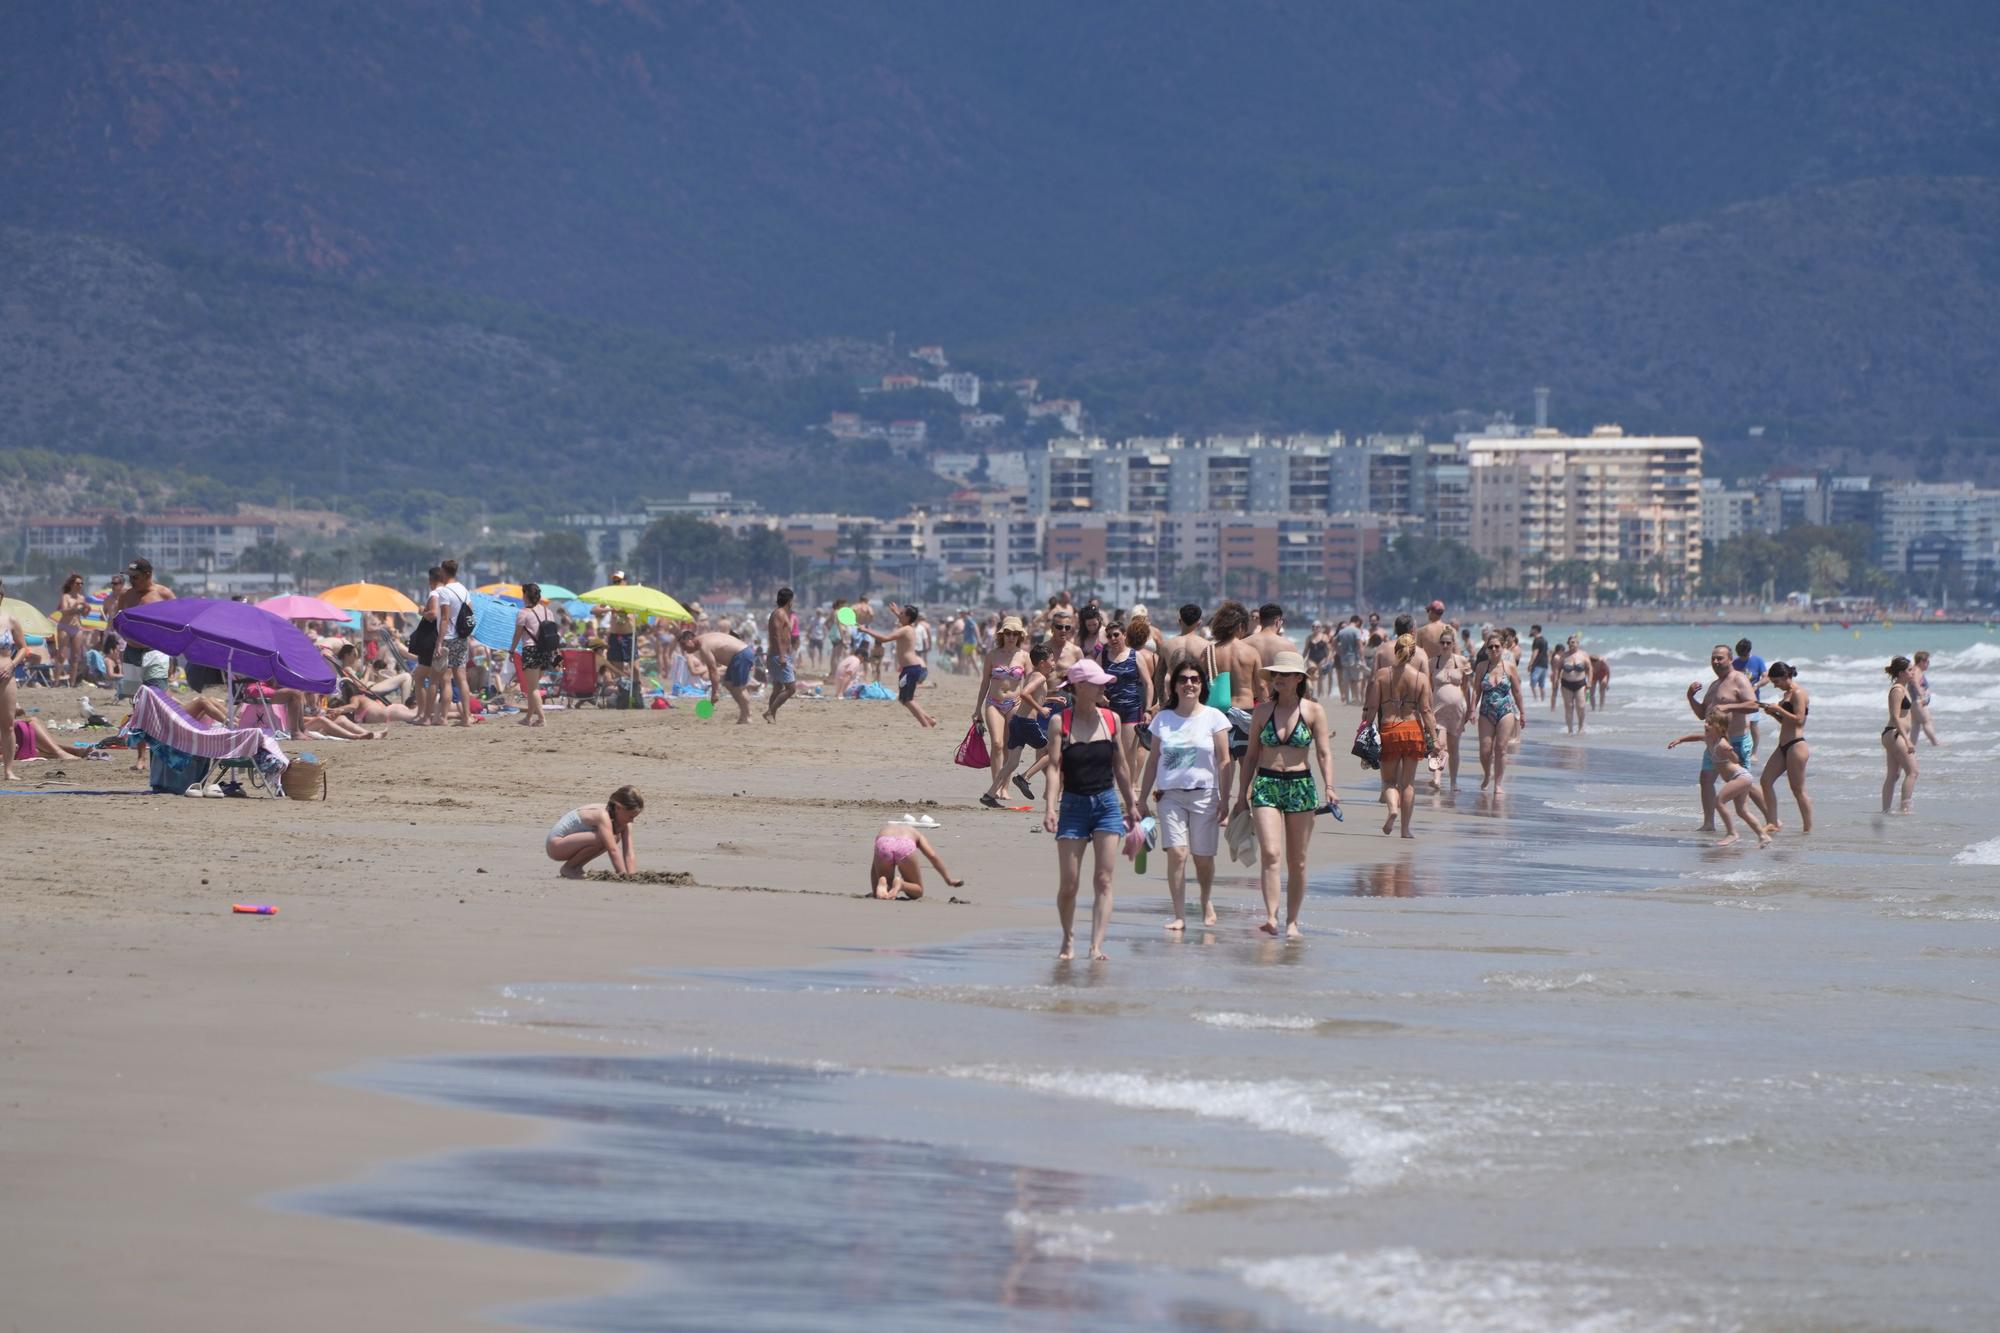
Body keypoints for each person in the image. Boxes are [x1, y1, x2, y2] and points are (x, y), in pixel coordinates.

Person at [1232, 651, 1335, 934]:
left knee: (1298, 860)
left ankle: (1292, 921)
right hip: (1266, 785)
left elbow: (1325, 753)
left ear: (1299, 678)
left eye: (1284, 674)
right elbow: (1251, 755)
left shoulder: (1314, 711)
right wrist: (1242, 794)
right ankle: (1271, 918)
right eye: (1275, 674)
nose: (1278, 678)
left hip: (1300, 786)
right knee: (1271, 853)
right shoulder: (1263, 711)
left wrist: (1329, 786)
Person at [1044, 660, 1138, 961]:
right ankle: (1068, 938)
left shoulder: (1110, 719)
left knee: (1103, 879)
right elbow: (1055, 768)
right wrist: (1050, 807)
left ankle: (1096, 944)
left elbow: (1121, 767)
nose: (1105, 687)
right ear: (1081, 687)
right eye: (1099, 683)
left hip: (1107, 805)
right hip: (1073, 805)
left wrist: (1132, 804)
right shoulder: (1061, 722)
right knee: (1069, 884)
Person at [1139, 657, 1232, 929]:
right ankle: (1179, 915)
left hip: (1205, 794)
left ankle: (1205, 901)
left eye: (1194, 679)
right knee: (1177, 853)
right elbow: (1153, 760)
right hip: (1170, 796)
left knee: (1203, 858)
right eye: (1183, 679)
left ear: (1202, 685)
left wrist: (1226, 799)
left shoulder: (1214, 717)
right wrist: (1141, 798)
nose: (1189, 684)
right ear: (1174, 686)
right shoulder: (1163, 719)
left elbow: (1225, 760)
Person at [1363, 634, 1434, 836]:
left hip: (1390, 729)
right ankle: (1405, 830)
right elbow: (1426, 711)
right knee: (1408, 783)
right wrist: (1435, 739)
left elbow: (1374, 706)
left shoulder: (1382, 675)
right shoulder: (1421, 678)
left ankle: (1393, 809)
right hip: (1413, 731)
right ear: (1413, 653)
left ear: (1396, 651)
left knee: (1388, 782)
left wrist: (1365, 727)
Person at [1668, 717, 1772, 847]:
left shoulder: (1722, 744)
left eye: (1710, 723)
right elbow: (1695, 737)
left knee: (1719, 801)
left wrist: (1730, 752)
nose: (1705, 724)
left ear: (1719, 728)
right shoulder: (1710, 739)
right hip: (1741, 778)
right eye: (1706, 722)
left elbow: (1735, 760)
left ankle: (1732, 833)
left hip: (1740, 777)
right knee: (1742, 811)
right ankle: (1763, 836)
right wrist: (1679, 740)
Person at [1688, 644, 1758, 832]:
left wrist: (1729, 707)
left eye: (1720, 658)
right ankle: (1709, 823)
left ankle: (1772, 820)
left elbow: (1753, 705)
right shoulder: (1715, 685)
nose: (1716, 661)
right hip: (1715, 742)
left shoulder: (1739, 679)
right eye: (1713, 658)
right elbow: (1703, 714)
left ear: (1730, 659)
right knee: (1706, 779)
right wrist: (1690, 697)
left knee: (1745, 785)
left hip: (1736, 741)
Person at [975, 616, 1034, 805]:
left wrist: (1036, 705)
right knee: (997, 744)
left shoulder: (1024, 656)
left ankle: (1004, 787)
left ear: (1019, 636)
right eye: (1008, 633)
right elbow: (985, 682)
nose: (1011, 637)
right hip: (994, 702)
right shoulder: (992, 655)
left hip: (1015, 704)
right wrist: (977, 709)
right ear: (1002, 635)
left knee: (1010, 746)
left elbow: (1033, 681)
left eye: (1015, 634)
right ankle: (996, 786)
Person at [994, 643, 1058, 802]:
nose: (1054, 663)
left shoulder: (1032, 674)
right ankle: (1024, 777)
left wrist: (1051, 699)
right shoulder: (1041, 677)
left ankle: (990, 794)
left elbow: (1032, 697)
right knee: (1054, 751)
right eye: (1052, 660)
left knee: (1012, 762)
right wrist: (1041, 709)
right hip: (1027, 723)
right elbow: (1024, 694)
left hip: (1017, 720)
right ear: (1043, 663)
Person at [860, 603, 938, 729]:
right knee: (906, 699)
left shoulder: (905, 630)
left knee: (906, 699)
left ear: (907, 617)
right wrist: (896, 613)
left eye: (901, 614)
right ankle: (929, 720)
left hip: (910, 669)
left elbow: (885, 639)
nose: (898, 616)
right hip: (911, 668)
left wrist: (866, 630)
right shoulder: (909, 627)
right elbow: (905, 620)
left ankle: (925, 725)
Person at [106, 559, 174, 701]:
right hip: (131, 651)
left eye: (135, 577)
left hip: (155, 650)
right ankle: (141, 723)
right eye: (129, 577)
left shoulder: (163, 594)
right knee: (135, 697)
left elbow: (179, 620)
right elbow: (119, 621)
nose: (131, 581)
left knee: (157, 694)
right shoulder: (126, 595)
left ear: (147, 574)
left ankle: (167, 720)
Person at [1757, 661, 1812, 834]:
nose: (1775, 686)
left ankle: (1807, 830)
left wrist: (1778, 709)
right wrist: (1774, 713)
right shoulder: (1787, 693)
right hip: (1783, 745)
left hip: (1796, 745)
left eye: (1776, 682)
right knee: (1765, 780)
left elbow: (1799, 720)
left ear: (1786, 676)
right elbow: (1786, 721)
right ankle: (1773, 822)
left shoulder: (1798, 693)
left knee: (1798, 789)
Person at [1097, 617, 1153, 778]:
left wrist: (1148, 709)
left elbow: (1148, 684)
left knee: (1128, 755)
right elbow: (1093, 679)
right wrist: (1099, 695)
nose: (1113, 639)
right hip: (1108, 711)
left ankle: (1129, 791)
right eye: (1109, 636)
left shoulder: (1135, 656)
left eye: (1116, 635)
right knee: (1107, 753)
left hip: (1131, 710)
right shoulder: (1103, 655)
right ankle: (1107, 790)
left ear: (1124, 635)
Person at [546, 786, 645, 878]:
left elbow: (629, 852)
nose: (632, 821)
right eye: (630, 817)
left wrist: (632, 876)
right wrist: (622, 876)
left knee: (614, 837)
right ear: (618, 807)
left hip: (570, 844)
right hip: (555, 845)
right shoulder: (602, 815)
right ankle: (569, 868)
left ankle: (576, 867)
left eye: (634, 817)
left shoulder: (625, 820)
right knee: (604, 839)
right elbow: (613, 850)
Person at [1208, 601, 1262, 757]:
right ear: (1240, 626)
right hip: (1246, 710)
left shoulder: (1210, 651)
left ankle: (1225, 784)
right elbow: (1262, 686)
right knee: (1248, 761)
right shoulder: (1251, 652)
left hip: (1219, 712)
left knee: (1224, 761)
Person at [1474, 635, 1525, 795]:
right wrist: (1471, 711)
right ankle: (1487, 774)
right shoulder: (1482, 667)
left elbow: (1517, 691)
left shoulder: (1509, 667)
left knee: (1501, 748)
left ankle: (1498, 784)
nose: (1494, 649)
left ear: (1502, 648)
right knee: (1485, 750)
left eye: (1497, 646)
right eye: (1491, 647)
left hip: (1506, 710)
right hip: (1486, 711)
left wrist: (1522, 712)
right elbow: (1476, 691)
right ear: (1486, 649)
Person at [427, 558, 473, 728]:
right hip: (461, 638)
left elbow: (444, 618)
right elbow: (470, 614)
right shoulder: (464, 590)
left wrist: (439, 643)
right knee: (461, 679)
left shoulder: (445, 592)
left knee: (441, 679)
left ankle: (440, 717)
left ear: (444, 571)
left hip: (447, 638)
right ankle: (467, 717)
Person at [867, 823, 966, 900]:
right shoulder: (915, 832)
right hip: (905, 845)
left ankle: (883, 882)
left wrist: (875, 888)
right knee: (917, 891)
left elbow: (874, 864)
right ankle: (901, 884)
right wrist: (948, 879)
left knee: (885, 888)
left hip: (884, 843)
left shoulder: (886, 829)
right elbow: (932, 856)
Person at [678, 627, 756, 724]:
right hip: (741, 654)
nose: (683, 649)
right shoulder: (703, 639)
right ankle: (745, 713)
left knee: (738, 688)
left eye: (683, 644)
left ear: (690, 640)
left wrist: (715, 692)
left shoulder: (703, 646)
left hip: (741, 654)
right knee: (728, 683)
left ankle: (747, 716)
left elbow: (713, 671)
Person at [510, 584, 559, 727]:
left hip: (530, 650)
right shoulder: (548, 611)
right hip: (545, 651)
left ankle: (542, 719)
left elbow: (518, 634)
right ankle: (528, 718)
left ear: (525, 595)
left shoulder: (523, 612)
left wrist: (512, 650)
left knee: (532, 688)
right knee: (534, 686)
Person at [1428, 626, 1470, 791]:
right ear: (1439, 644)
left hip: (1457, 711)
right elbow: (1428, 687)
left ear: (1453, 644)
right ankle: (1437, 778)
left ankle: (1454, 782)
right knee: (1440, 744)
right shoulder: (1432, 662)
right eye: (1442, 643)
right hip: (1438, 710)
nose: (1445, 646)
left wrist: (1470, 710)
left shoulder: (1461, 661)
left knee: (1454, 748)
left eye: (1448, 643)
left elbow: (1466, 687)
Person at [1881, 656, 1919, 815]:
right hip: (1895, 734)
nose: (1913, 672)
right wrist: (1907, 740)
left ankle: (1885, 811)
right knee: (1913, 772)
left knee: (1894, 775)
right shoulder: (1897, 690)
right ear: (1901, 673)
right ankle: (1905, 809)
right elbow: (1895, 716)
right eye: (1910, 670)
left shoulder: (1904, 688)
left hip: (1893, 735)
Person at [763, 587, 799, 723]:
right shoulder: (779, 613)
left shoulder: (783, 613)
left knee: (778, 687)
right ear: (789, 600)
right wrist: (782, 656)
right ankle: (770, 712)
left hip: (780, 655)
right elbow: (776, 635)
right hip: (779, 655)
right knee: (791, 689)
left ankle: (771, 715)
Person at [597, 570, 637, 693]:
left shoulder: (633, 594)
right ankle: (622, 692)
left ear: (626, 582)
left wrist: (624, 609)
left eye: (619, 581)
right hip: (615, 635)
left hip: (629, 635)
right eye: (614, 581)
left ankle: (637, 690)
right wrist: (609, 610)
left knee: (634, 667)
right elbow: (595, 610)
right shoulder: (610, 595)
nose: (616, 583)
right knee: (617, 668)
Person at [0, 582, 23, 781]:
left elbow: (23, 647)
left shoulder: (10, 619)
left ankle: (8, 770)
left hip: (6, 675)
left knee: (8, 724)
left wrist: (12, 664)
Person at [1733, 638, 1766, 754]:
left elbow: (1766, 678)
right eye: (1740, 655)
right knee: (1740, 725)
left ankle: (1754, 752)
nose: (1742, 657)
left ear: (1749, 651)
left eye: (1744, 655)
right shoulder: (1734, 663)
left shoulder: (1758, 661)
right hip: (1738, 701)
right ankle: (1738, 750)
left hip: (1753, 700)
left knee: (1753, 725)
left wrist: (1756, 685)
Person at [55, 573, 88, 688]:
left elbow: (84, 614)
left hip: (77, 627)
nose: (80, 585)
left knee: (75, 656)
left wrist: (86, 609)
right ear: (72, 584)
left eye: (81, 583)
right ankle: (56, 682)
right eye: (77, 583)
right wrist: (76, 606)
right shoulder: (66, 596)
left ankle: (72, 683)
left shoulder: (82, 598)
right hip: (64, 626)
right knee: (61, 655)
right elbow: (63, 611)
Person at [1556, 635, 1591, 733]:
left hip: (1580, 683)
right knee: (1569, 706)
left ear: (1577, 643)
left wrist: (1589, 681)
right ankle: (1570, 730)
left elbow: (1589, 668)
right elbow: (1558, 669)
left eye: (1573, 642)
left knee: (1581, 706)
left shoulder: (1583, 655)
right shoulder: (1564, 656)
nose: (1571, 644)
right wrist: (1556, 681)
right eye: (1570, 643)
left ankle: (1581, 727)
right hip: (1566, 684)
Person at [1909, 650, 1941, 747]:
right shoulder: (1917, 671)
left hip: (1915, 702)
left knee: (1916, 725)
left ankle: (1910, 746)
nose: (1928, 664)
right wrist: (1922, 696)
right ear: (1921, 661)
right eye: (1927, 662)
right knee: (1927, 721)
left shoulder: (1914, 670)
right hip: (1918, 701)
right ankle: (1935, 743)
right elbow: (1914, 682)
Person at [1334, 615, 1366, 705]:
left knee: (1346, 680)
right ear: (1357, 621)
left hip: (1344, 658)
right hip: (1354, 658)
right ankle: (1358, 699)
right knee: (1357, 679)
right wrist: (1362, 659)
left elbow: (1334, 642)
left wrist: (1339, 652)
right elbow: (1360, 645)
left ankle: (1347, 700)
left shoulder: (1342, 631)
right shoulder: (1356, 631)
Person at [1413, 599, 1451, 666]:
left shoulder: (1422, 631)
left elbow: (1416, 654)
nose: (1427, 613)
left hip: (1429, 669)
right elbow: (1457, 652)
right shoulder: (1450, 629)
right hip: (1446, 669)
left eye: (1428, 611)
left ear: (1431, 612)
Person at [1527, 625, 1550, 701]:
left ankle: (1535, 699)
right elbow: (1547, 653)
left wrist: (1530, 664)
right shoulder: (1545, 640)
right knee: (1542, 685)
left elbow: (1535, 653)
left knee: (1532, 683)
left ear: (1535, 630)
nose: (1530, 631)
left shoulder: (1537, 640)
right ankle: (1543, 700)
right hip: (1545, 665)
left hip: (1538, 664)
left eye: (1532, 629)